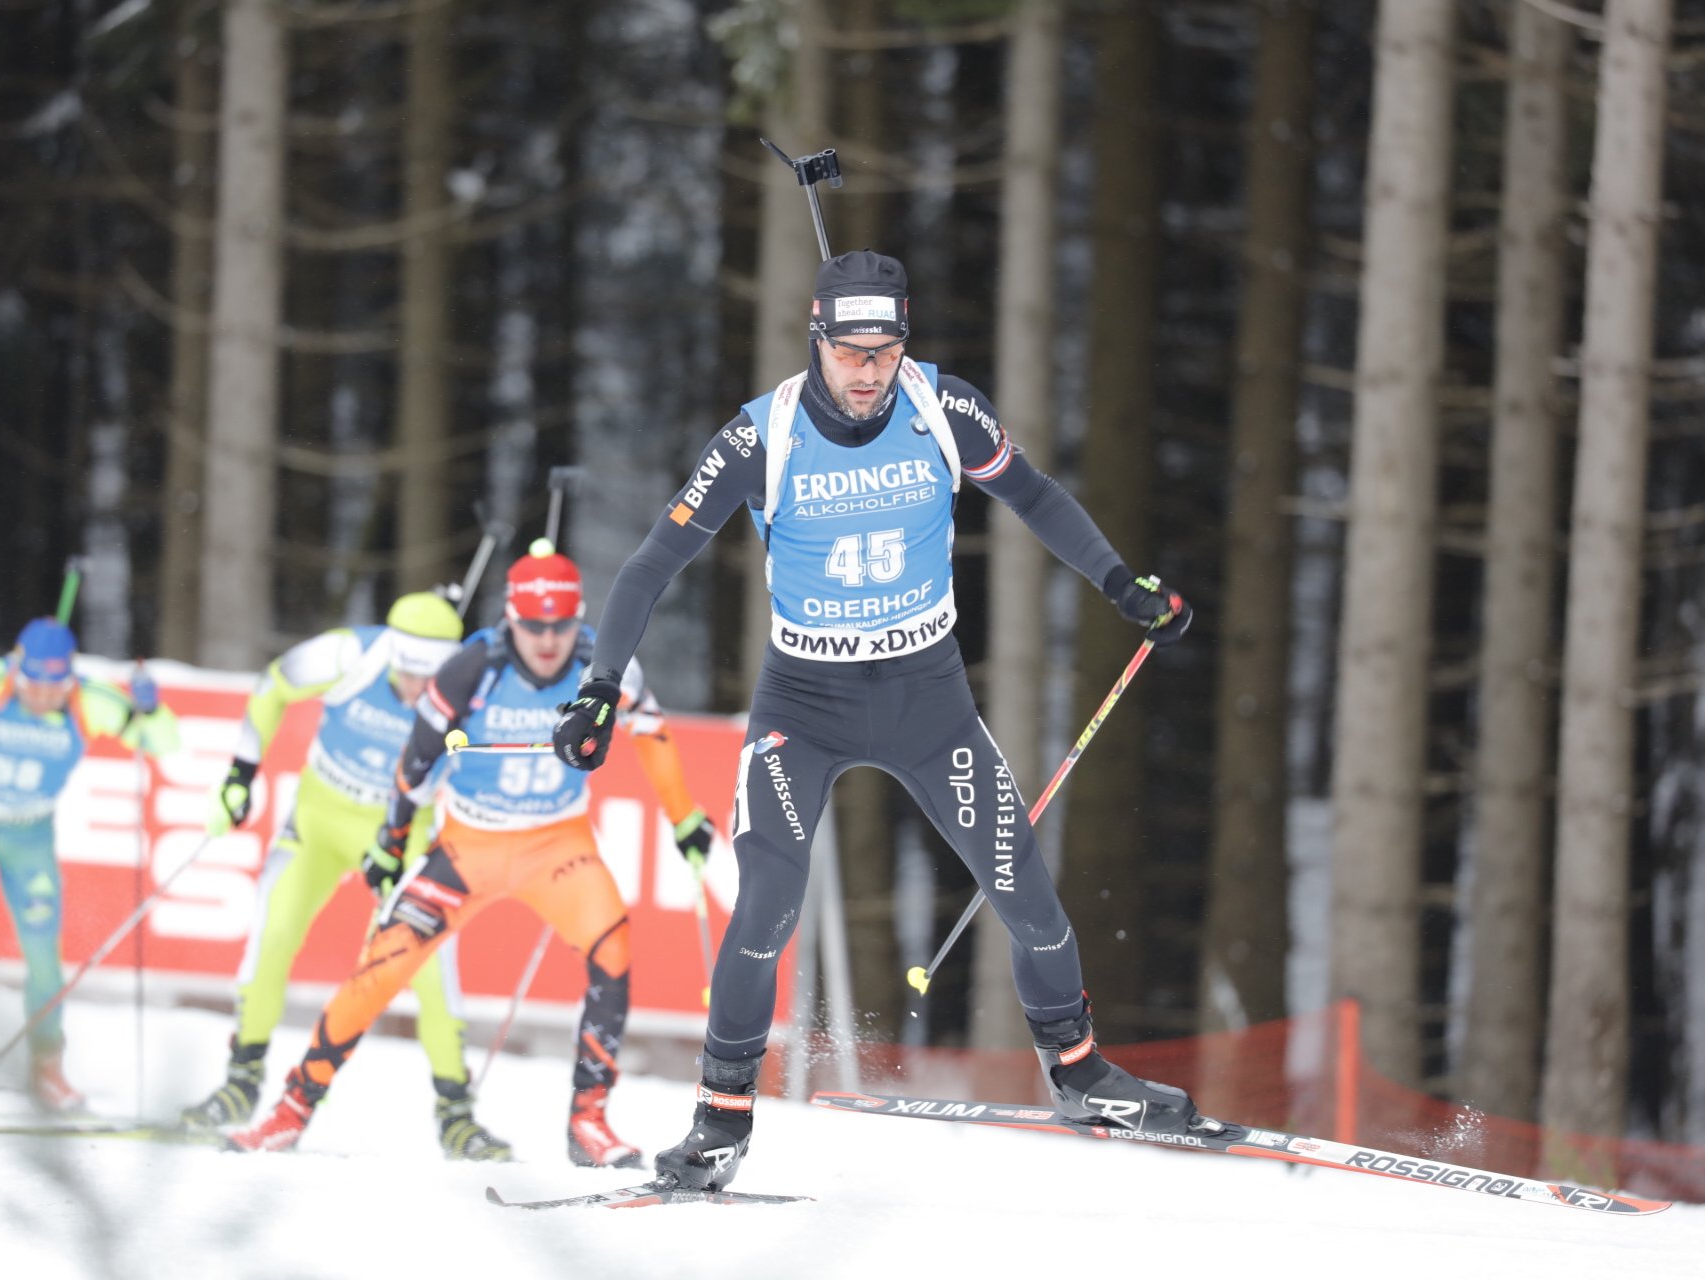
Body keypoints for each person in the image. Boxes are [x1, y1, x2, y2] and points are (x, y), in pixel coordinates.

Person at [551, 250, 1216, 1192]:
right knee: (766, 903)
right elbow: (652, 563)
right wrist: (598, 685)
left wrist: (1120, 582)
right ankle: (719, 1121)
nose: (868, 373)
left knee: (1025, 889)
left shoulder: (944, 409)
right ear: (815, 339)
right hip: (804, 705)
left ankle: (1080, 1075)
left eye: (886, 351)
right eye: (849, 352)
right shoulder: (761, 436)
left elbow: (1031, 492)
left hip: (926, 700)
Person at [230, 545, 717, 1164]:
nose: (548, 640)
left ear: (579, 618)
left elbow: (653, 733)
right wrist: (393, 840)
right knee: (385, 962)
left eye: (560, 625)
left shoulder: (603, 665)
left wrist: (684, 817)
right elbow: (416, 758)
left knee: (613, 948)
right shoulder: (472, 668)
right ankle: (290, 1111)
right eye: (534, 625)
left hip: (557, 847)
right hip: (469, 848)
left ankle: (589, 1122)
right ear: (511, 617)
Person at [180, 592, 512, 1161]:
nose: (418, 689)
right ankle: (241, 1082)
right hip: (319, 822)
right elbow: (272, 685)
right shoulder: (350, 655)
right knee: (273, 933)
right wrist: (240, 775)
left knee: (430, 966)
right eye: (408, 673)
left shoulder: (469, 684)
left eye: (429, 677)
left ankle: (455, 1115)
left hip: (402, 834)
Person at [0, 618, 180, 1110]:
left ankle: (47, 1065)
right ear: (17, 669)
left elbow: (165, 744)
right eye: (33, 684)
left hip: (29, 835)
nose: (44, 697)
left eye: (56, 687)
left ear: (70, 676)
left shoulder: (92, 699)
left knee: (43, 947)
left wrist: (151, 710)